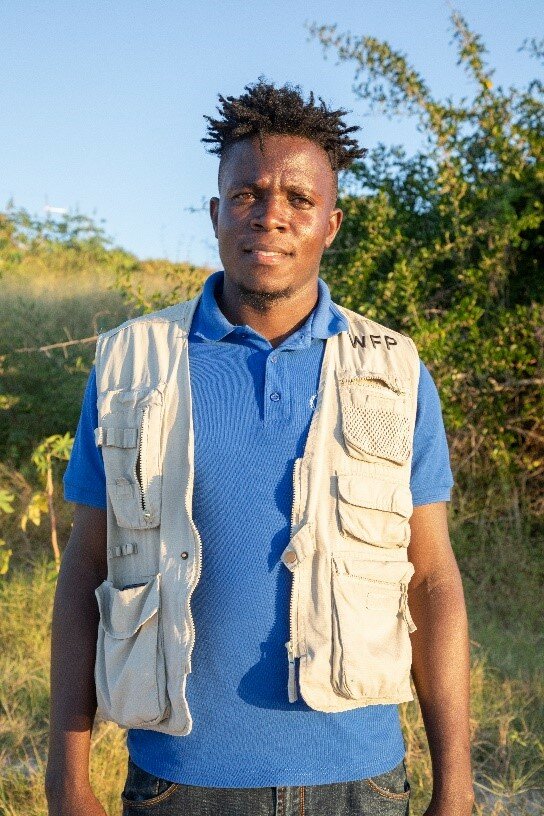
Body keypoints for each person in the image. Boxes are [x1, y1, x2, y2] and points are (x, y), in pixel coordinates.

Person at [45, 79, 474, 816]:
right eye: (247, 194)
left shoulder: (394, 371)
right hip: (178, 783)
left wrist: (457, 787)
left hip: (363, 782)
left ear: (331, 224)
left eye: (299, 200)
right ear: (216, 214)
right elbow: (85, 568)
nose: (271, 215)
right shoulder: (132, 365)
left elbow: (432, 581)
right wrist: (65, 776)